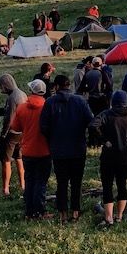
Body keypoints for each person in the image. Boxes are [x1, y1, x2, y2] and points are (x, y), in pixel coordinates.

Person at [90, 91, 127, 225]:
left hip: (108, 155)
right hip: (125, 155)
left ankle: (109, 217)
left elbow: (93, 125)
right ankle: (120, 215)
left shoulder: (106, 114)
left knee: (107, 185)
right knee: (122, 185)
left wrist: (103, 140)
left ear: (113, 102)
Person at [40, 74, 93, 223]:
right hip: (78, 147)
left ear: (56, 86)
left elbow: (43, 126)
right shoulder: (80, 101)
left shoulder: (50, 102)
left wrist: (52, 137)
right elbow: (91, 121)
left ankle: (62, 212)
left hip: (58, 149)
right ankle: (75, 211)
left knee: (61, 182)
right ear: (69, 85)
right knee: (77, 181)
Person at [9, 79, 51, 219]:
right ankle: (40, 210)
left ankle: (29, 210)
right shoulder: (47, 107)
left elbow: (15, 127)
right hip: (45, 150)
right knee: (41, 182)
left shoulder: (21, 108)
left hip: (27, 150)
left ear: (31, 91)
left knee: (29, 180)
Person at [0, 74, 27, 197]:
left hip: (12, 133)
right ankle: (23, 185)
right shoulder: (22, 94)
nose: (0, 89)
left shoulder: (12, 98)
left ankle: (5, 189)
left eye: (1, 86)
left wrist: (3, 134)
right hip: (22, 132)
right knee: (19, 158)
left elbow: (9, 118)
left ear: (5, 85)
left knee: (6, 160)